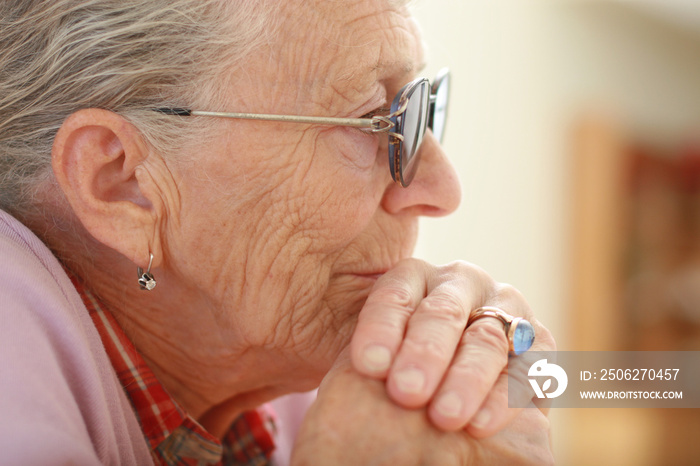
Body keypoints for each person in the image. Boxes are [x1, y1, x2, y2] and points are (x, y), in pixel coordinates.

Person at [0, 0, 555, 464]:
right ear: (125, 183)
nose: (443, 189)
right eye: (377, 121)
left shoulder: (281, 372)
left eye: (418, 110)